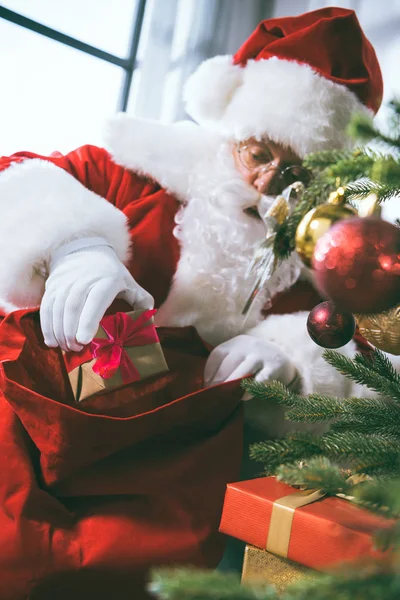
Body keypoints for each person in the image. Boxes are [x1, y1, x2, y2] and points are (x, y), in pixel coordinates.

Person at [0, 6, 390, 599]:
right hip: (41, 408)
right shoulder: (135, 175)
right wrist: (75, 244)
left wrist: (285, 359)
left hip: (165, 472)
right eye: (259, 153)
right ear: (233, 127)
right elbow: (21, 178)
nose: (268, 184)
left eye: (298, 172)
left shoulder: (330, 271)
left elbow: (364, 365)